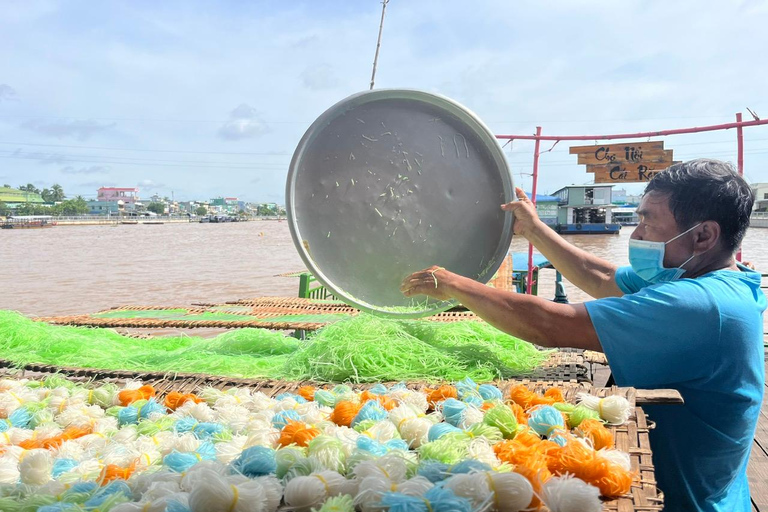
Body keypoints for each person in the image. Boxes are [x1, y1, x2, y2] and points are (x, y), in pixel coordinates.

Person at [401, 159, 765, 512]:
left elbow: (551, 324)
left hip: (681, 500)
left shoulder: (698, 304)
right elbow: (602, 277)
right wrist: (532, 228)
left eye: (648, 223)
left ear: (703, 235)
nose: (636, 234)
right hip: (713, 488)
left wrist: (453, 285)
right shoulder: (717, 280)